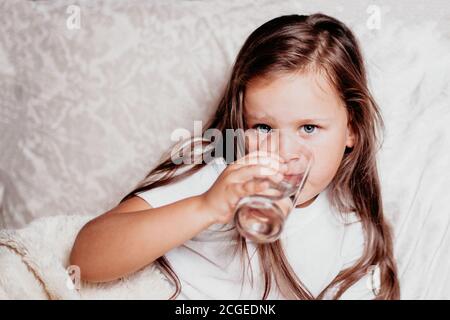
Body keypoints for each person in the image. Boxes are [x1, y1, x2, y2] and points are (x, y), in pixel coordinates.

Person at [69, 13, 400, 300]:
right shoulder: (217, 176)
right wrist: (206, 206)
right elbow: (85, 259)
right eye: (263, 128)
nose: (283, 153)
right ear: (240, 123)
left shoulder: (351, 226)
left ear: (351, 131)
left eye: (309, 128)